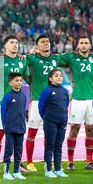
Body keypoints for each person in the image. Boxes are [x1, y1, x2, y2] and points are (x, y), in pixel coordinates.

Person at [61, 37, 93, 171]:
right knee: (74, 129)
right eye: (81, 43)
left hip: (92, 100)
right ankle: (70, 162)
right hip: (78, 99)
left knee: (91, 129)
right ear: (77, 45)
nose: (84, 45)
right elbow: (55, 59)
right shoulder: (71, 57)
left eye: (86, 43)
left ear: (90, 45)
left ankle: (89, 161)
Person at [24, 35, 63, 172]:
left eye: (47, 42)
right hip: (36, 101)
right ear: (37, 45)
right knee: (32, 132)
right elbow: (18, 59)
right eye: (43, 42)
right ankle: (29, 162)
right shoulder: (32, 58)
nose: (46, 43)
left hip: (52, 102)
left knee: (50, 134)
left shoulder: (56, 58)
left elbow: (73, 61)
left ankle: (49, 162)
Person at [0, 36, 28, 174]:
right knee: (0, 133)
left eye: (16, 42)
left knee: (18, 134)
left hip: (18, 102)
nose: (15, 45)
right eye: (12, 42)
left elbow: (27, 79)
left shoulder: (22, 61)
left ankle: (18, 163)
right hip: (3, 102)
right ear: (5, 46)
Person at [38, 69, 69, 178]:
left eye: (60, 75)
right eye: (56, 76)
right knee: (50, 145)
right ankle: (48, 169)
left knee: (59, 146)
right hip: (50, 122)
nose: (59, 77)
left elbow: (66, 105)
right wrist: (47, 118)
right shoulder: (47, 91)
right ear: (50, 78)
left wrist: (63, 117)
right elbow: (41, 107)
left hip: (63, 121)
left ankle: (58, 168)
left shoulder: (65, 91)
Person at [1, 72, 27, 180]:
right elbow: (3, 112)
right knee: (9, 150)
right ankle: (6, 172)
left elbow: (23, 111)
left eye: (20, 80)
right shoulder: (7, 96)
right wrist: (5, 126)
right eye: (16, 80)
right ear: (11, 83)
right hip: (10, 128)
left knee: (18, 150)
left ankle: (16, 171)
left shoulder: (23, 96)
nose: (19, 82)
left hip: (20, 127)